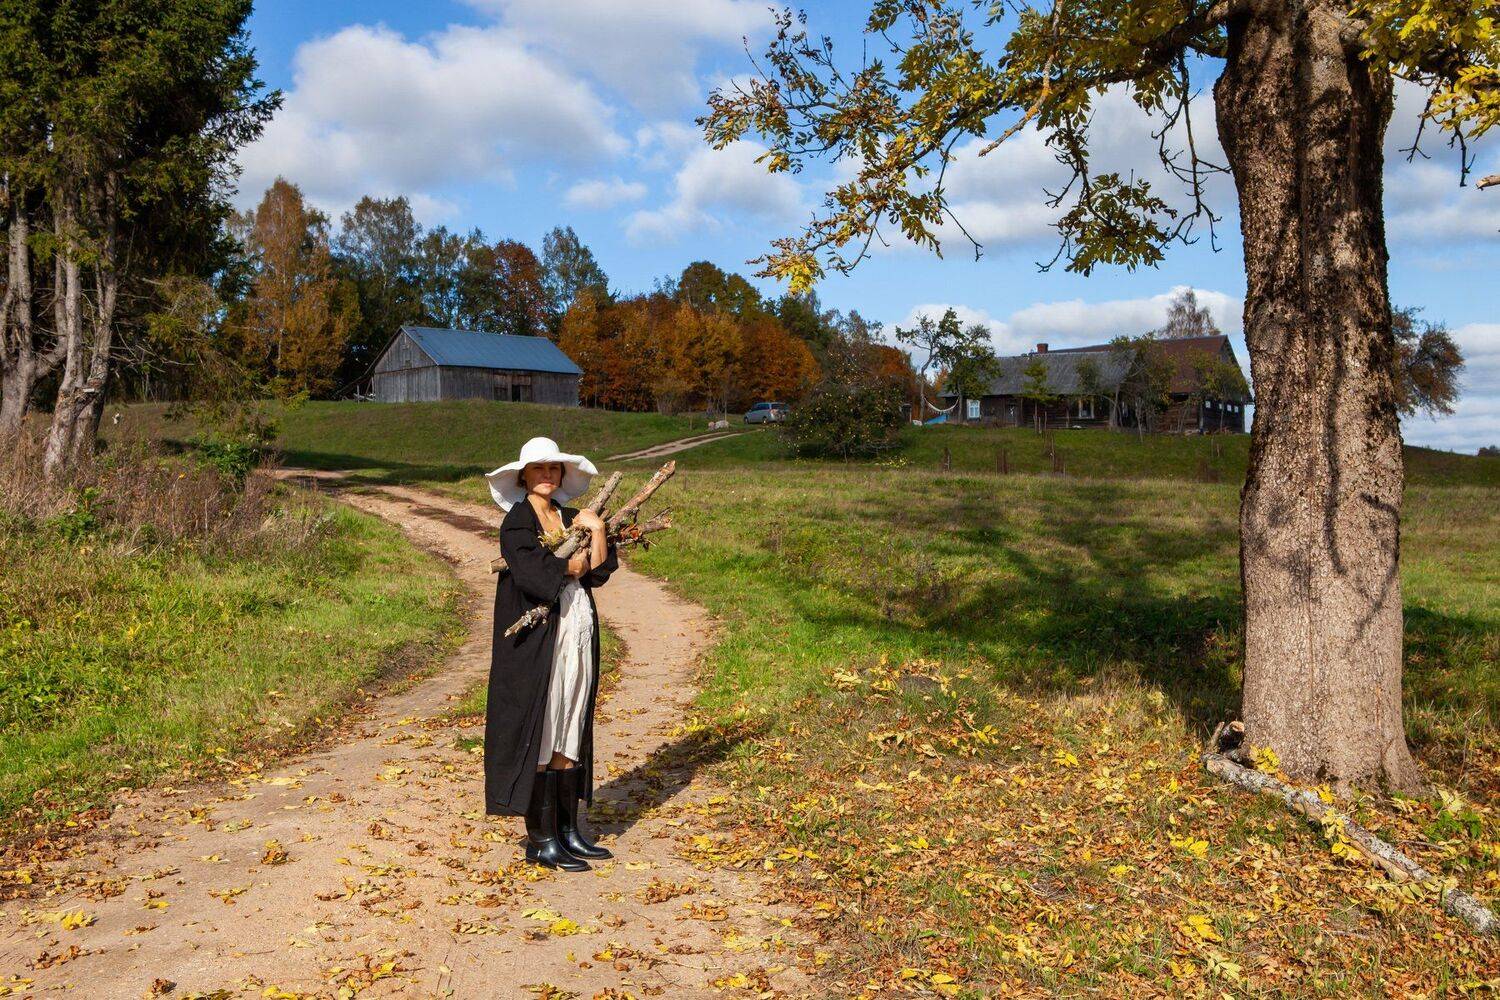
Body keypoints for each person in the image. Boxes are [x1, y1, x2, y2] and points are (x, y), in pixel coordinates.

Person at [482, 436, 618, 871]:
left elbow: (597, 572)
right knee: (543, 724)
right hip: (538, 638)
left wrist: (597, 531)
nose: (546, 475)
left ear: (560, 475)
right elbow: (536, 575)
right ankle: (541, 840)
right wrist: (572, 564)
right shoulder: (518, 524)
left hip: (576, 627)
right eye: (538, 469)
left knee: (570, 722)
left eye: (553, 468)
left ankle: (568, 831)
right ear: (523, 476)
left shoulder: (572, 518)